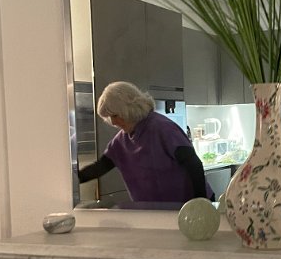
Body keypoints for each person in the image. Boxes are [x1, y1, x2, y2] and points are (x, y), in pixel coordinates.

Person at [79, 81, 213, 203]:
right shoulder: (121, 140)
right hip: (157, 210)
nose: (113, 122)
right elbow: (100, 167)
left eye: (115, 115)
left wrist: (200, 203)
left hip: (188, 206)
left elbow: (194, 164)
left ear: (129, 109)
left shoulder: (162, 128)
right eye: (110, 117)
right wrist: (74, 180)